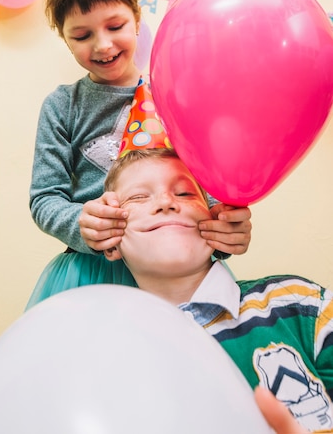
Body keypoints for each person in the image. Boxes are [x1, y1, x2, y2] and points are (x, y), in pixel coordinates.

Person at [26, 0, 252, 308]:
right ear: (63, 37)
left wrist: (226, 228)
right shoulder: (62, 106)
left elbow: (209, 191)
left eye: (115, 25)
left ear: (136, 15)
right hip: (91, 277)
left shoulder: (179, 96)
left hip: (184, 271)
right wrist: (81, 223)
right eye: (82, 35)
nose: (103, 44)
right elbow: (44, 198)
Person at [103, 148, 333, 433]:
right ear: (108, 237)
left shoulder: (299, 303)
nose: (165, 202)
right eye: (138, 197)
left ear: (215, 218)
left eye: (185, 194)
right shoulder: (112, 357)